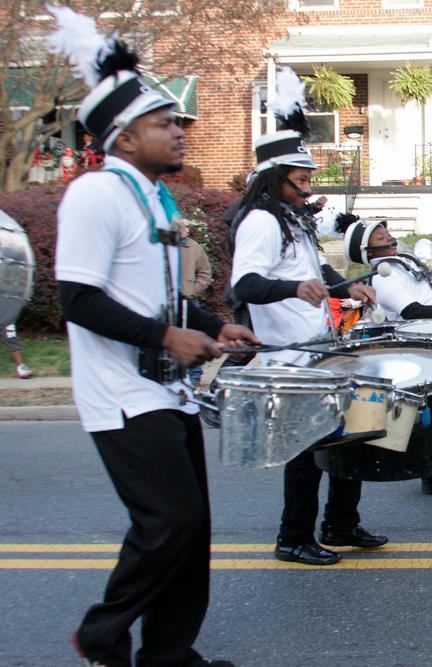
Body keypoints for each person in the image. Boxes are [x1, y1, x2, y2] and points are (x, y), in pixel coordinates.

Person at [48, 8, 259, 665]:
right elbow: (77, 299)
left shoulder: (152, 199)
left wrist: (209, 325)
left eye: (177, 121)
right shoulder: (95, 195)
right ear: (124, 133)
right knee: (165, 523)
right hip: (119, 394)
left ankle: (168, 652)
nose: (179, 131)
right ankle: (103, 632)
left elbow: (160, 300)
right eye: (165, 123)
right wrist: (167, 336)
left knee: (191, 530)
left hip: (168, 393)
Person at [230, 67, 388, 566]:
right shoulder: (259, 221)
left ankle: (341, 523)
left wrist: (347, 285)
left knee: (360, 424)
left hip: (319, 345)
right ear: (275, 180)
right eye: (300, 181)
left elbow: (317, 267)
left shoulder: (292, 220)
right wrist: (294, 288)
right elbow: (245, 284)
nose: (307, 188)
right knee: (306, 451)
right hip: (289, 357)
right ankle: (293, 537)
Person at [344, 217, 432, 497]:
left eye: (386, 232)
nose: (388, 237)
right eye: (379, 237)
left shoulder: (402, 267)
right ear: (369, 253)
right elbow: (414, 313)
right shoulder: (383, 275)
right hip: (415, 352)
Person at [180, 218, 213, 386]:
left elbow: (205, 273)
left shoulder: (193, 247)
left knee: (194, 337)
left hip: (190, 301)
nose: (187, 230)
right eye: (184, 227)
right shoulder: (164, 247)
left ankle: (195, 376)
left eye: (188, 227)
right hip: (170, 303)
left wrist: (193, 290)